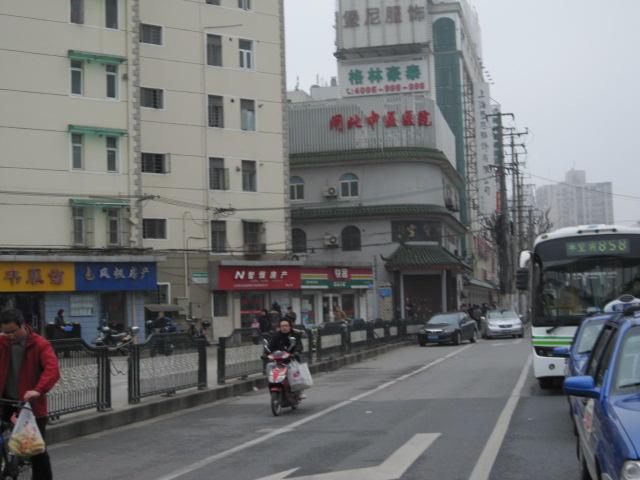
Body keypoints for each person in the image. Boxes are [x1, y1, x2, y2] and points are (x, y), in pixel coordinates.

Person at [0, 308, 60, 480]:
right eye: (5, 332)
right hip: (5, 401)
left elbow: (52, 370)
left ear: (23, 326)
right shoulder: (2, 342)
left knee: (36, 451)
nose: (9, 336)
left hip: (29, 405)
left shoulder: (40, 344)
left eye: (12, 331)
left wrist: (37, 390)